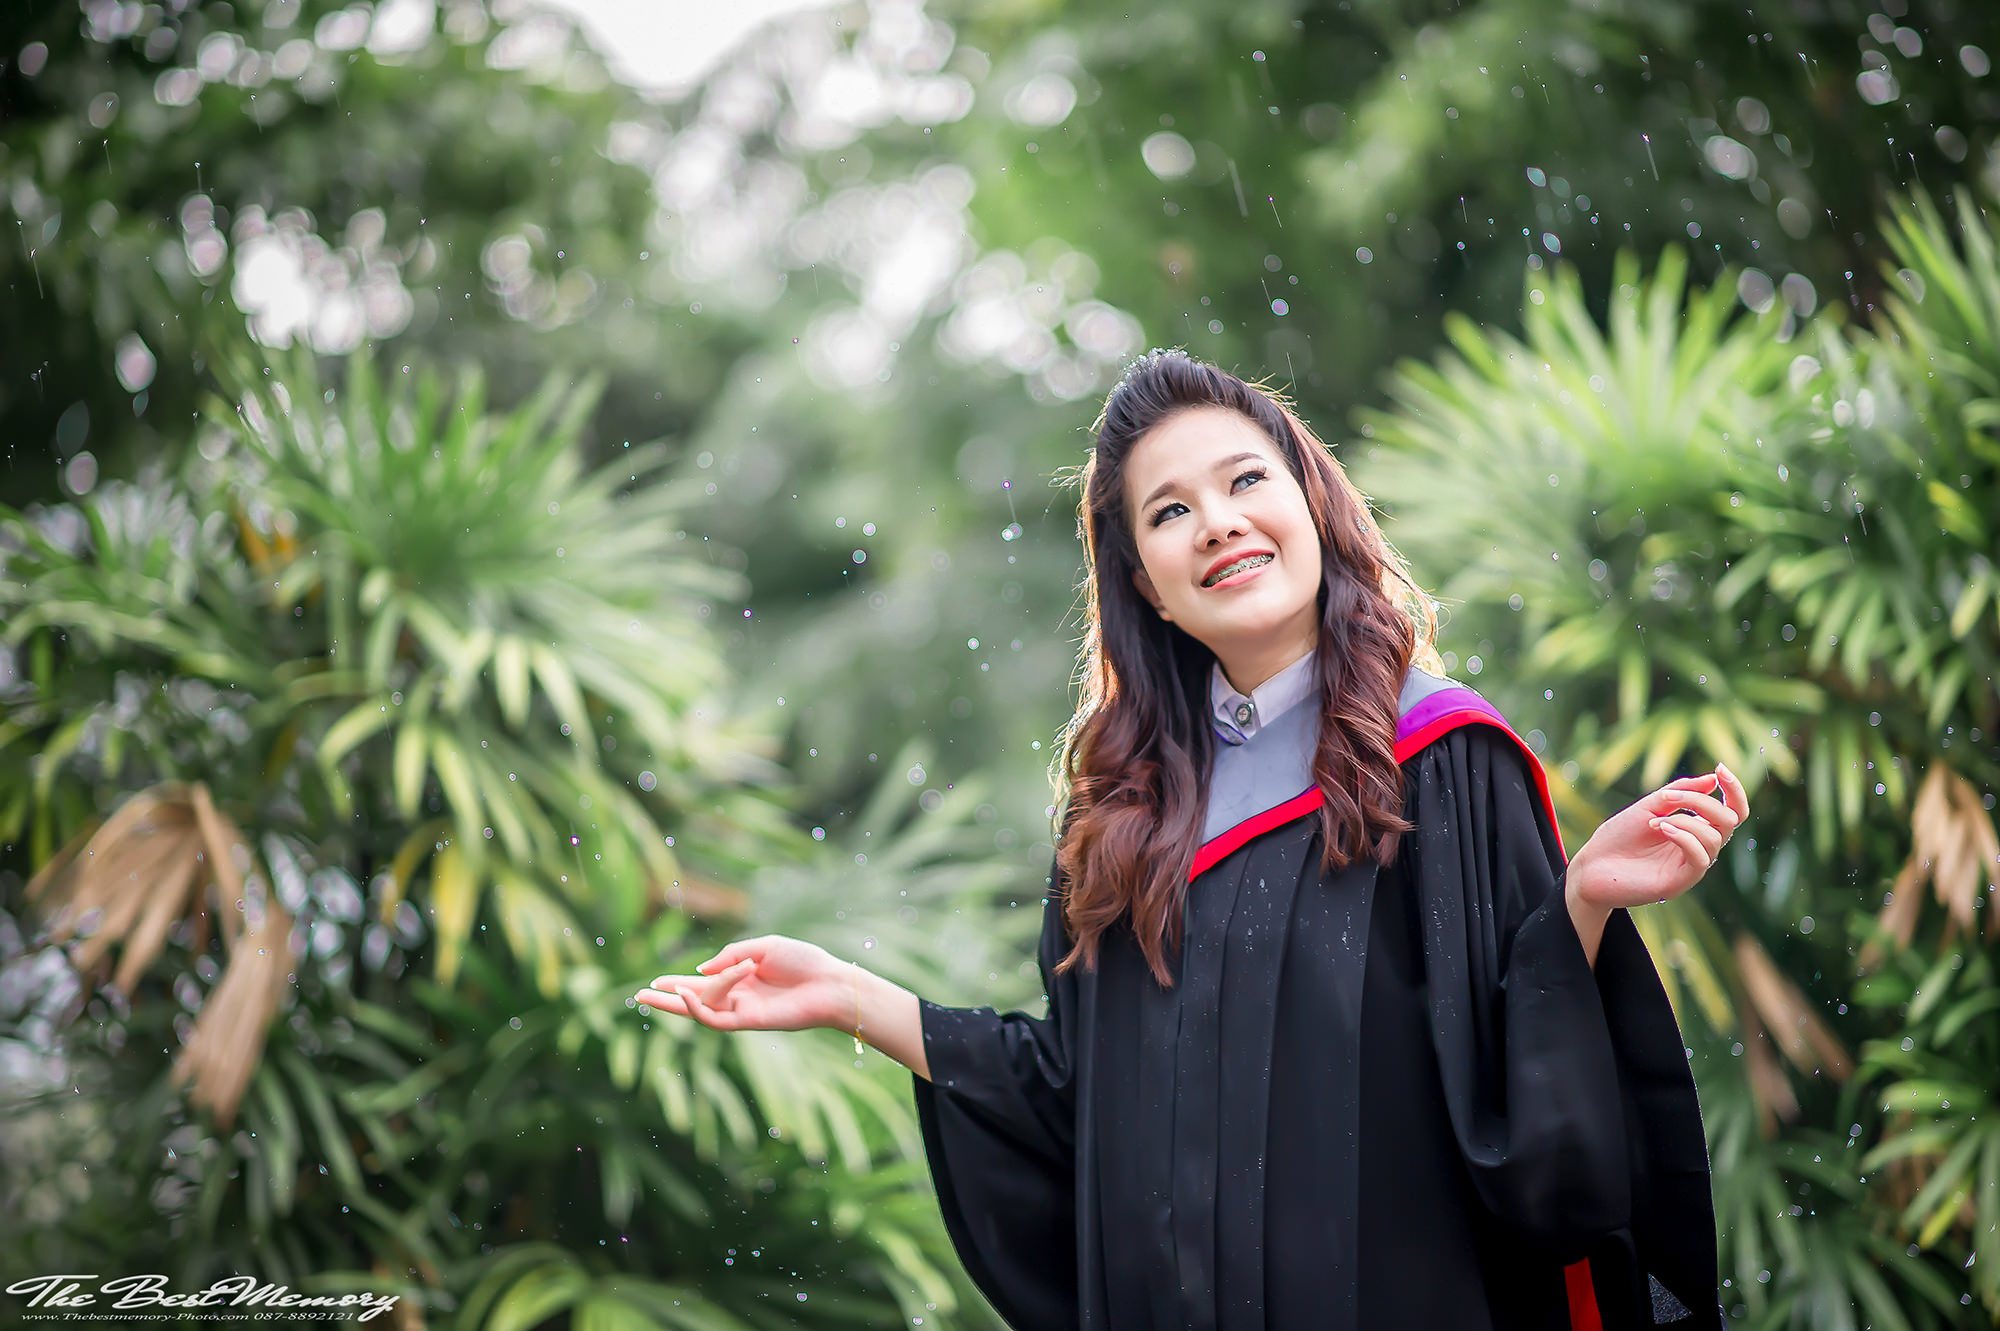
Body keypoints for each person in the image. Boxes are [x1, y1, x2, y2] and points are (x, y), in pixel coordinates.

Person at [635, 350, 1739, 1330]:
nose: (1214, 521)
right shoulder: (1120, 820)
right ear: (1145, 588)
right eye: (1167, 511)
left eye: (1244, 479)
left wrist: (1580, 905)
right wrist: (854, 998)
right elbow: (1084, 1105)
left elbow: (1525, 1107)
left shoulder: (1441, 756)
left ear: (1313, 506)